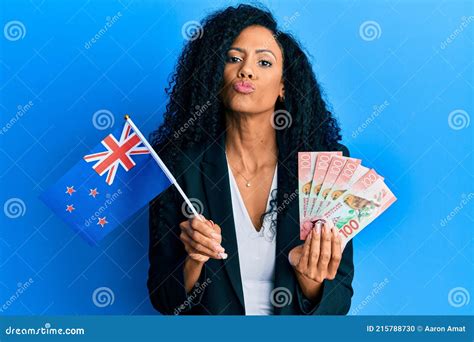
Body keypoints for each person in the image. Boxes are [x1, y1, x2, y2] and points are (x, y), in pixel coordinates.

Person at [147, 4, 354, 315]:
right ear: (215, 74)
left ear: (284, 86)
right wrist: (193, 258)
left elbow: (339, 302)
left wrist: (308, 278)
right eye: (233, 58)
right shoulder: (175, 165)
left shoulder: (325, 168)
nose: (246, 70)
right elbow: (164, 299)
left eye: (264, 62)